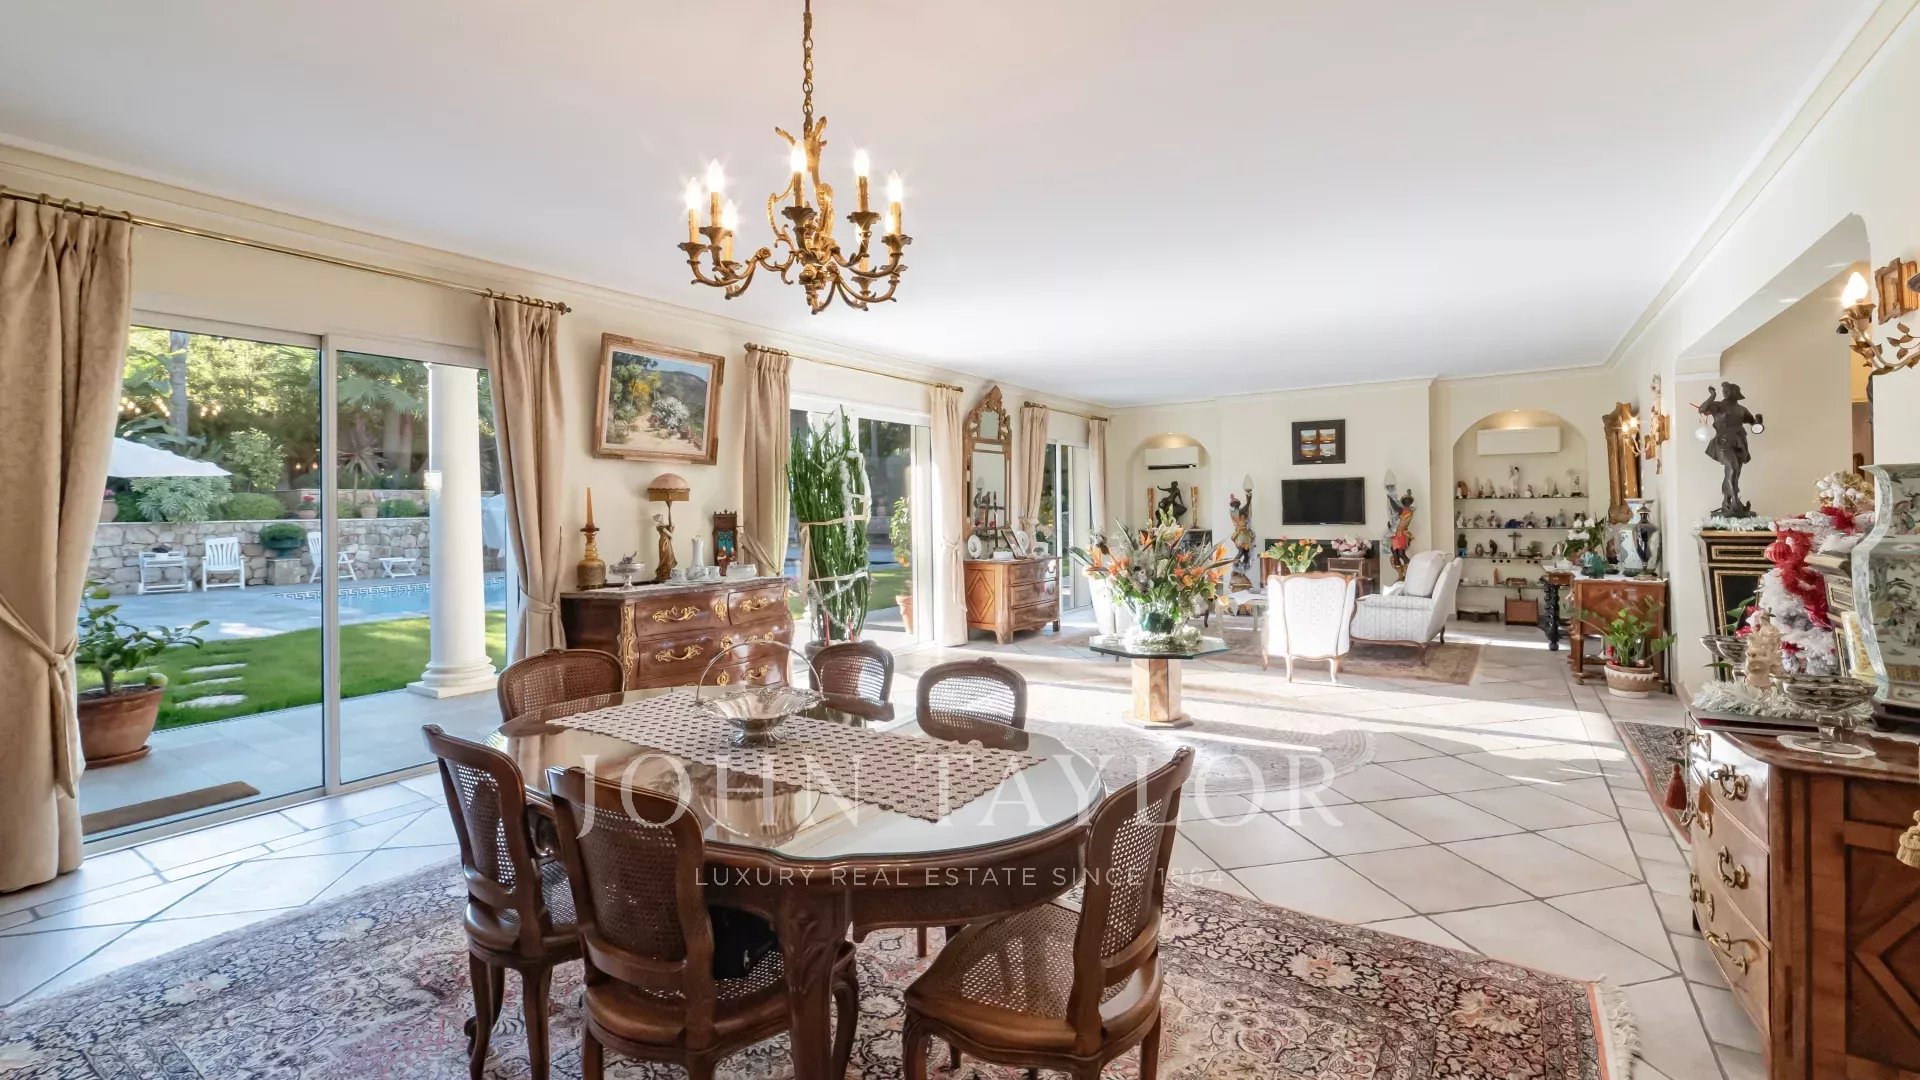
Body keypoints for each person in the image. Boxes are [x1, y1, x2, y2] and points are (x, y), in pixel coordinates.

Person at [1700, 382, 1762, 517]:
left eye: (1728, 390)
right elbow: (1702, 409)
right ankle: (1735, 501)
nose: (1725, 393)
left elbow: (1753, 423)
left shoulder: (1742, 409)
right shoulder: (1717, 406)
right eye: (1724, 391)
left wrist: (1758, 422)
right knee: (1732, 468)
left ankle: (1726, 501)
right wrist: (1712, 395)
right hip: (1724, 442)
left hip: (1740, 442)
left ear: (1736, 393)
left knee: (1734, 472)